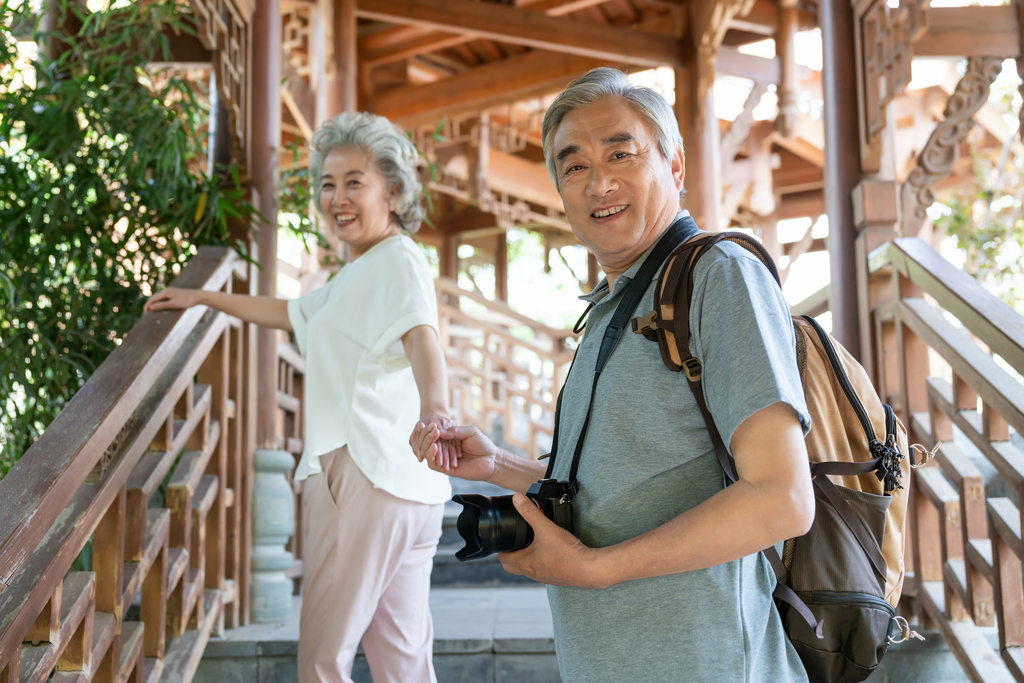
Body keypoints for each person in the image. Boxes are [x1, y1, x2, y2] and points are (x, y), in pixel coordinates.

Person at [411, 68, 815, 683]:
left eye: (621, 154)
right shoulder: (606, 308)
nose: (598, 182)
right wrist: (498, 466)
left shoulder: (718, 275)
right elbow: (611, 489)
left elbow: (782, 499)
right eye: (573, 167)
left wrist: (595, 569)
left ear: (675, 167)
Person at [146, 112, 456, 683]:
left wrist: (436, 408)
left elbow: (423, 339)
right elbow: (288, 313)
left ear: (392, 189)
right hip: (406, 489)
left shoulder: (396, 260)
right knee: (402, 664)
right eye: (327, 183)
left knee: (322, 659)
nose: (336, 197)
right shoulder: (351, 277)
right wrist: (200, 298)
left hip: (359, 473)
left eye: (354, 182)